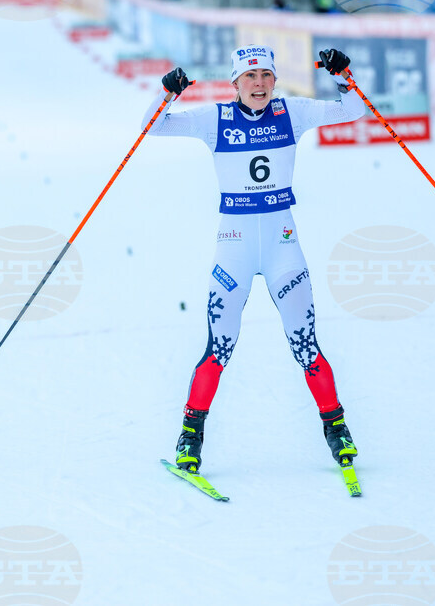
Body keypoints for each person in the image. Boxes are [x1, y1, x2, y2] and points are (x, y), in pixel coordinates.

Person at [142, 45, 365, 473]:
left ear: (275, 81)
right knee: (218, 349)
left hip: (284, 247)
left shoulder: (292, 113)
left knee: (306, 345)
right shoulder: (215, 120)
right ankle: (190, 437)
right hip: (234, 249)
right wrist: (167, 93)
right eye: (250, 77)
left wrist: (342, 76)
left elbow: (353, 109)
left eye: (265, 75)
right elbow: (152, 127)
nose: (258, 84)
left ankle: (337, 430)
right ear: (235, 83)